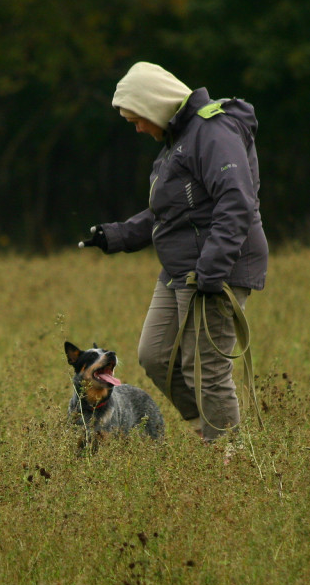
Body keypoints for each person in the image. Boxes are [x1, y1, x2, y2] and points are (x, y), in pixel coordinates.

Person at [79, 61, 268, 443]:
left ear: (153, 106)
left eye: (137, 118)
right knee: (154, 356)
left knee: (206, 369)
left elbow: (236, 201)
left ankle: (230, 460)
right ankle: (209, 429)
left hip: (214, 269)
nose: (137, 128)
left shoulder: (213, 131)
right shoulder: (178, 140)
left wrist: (212, 270)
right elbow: (169, 212)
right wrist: (116, 236)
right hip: (180, 270)